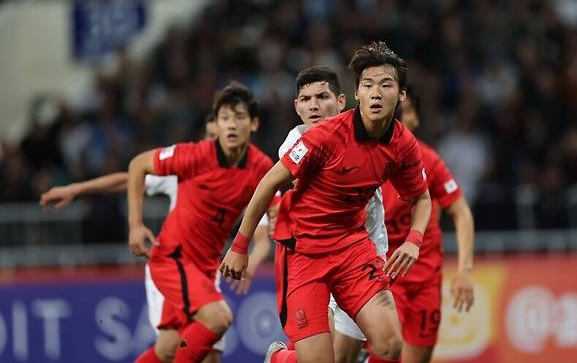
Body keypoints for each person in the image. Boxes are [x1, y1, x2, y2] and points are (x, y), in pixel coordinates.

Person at [221, 41, 432, 363]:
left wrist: (414, 241)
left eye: (385, 85)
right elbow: (268, 183)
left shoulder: (403, 143)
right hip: (306, 254)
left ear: (401, 94)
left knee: (390, 346)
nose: (376, 93)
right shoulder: (321, 138)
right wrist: (239, 247)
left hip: (354, 248)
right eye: (368, 85)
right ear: (358, 93)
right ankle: (279, 358)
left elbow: (422, 197)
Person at [39, 115, 272, 363]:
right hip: (174, 263)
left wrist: (252, 259)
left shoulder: (252, 178)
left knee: (200, 352)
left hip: (205, 269)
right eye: (212, 136)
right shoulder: (188, 169)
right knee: (185, 343)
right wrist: (74, 189)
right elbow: (128, 180)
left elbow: (262, 234)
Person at [128, 83, 274, 363]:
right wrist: (135, 225)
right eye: (225, 118)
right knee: (219, 318)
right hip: (173, 259)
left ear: (254, 124)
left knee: (169, 348)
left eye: (239, 118)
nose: (231, 125)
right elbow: (137, 165)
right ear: (216, 125)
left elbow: (278, 210)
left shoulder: (261, 167)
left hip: (205, 268)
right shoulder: (194, 156)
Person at [275, 66, 388, 362]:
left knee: (347, 357)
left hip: (363, 255)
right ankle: (279, 358)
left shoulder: (364, 132)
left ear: (340, 101)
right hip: (315, 258)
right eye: (306, 99)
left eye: (322, 96)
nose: (314, 106)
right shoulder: (295, 143)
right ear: (296, 107)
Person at [382, 89, 475, 363]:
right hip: (385, 277)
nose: (410, 119)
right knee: (386, 350)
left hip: (426, 279)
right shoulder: (367, 160)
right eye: (403, 112)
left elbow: (462, 213)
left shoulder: (429, 160)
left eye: (410, 111)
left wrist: (465, 270)